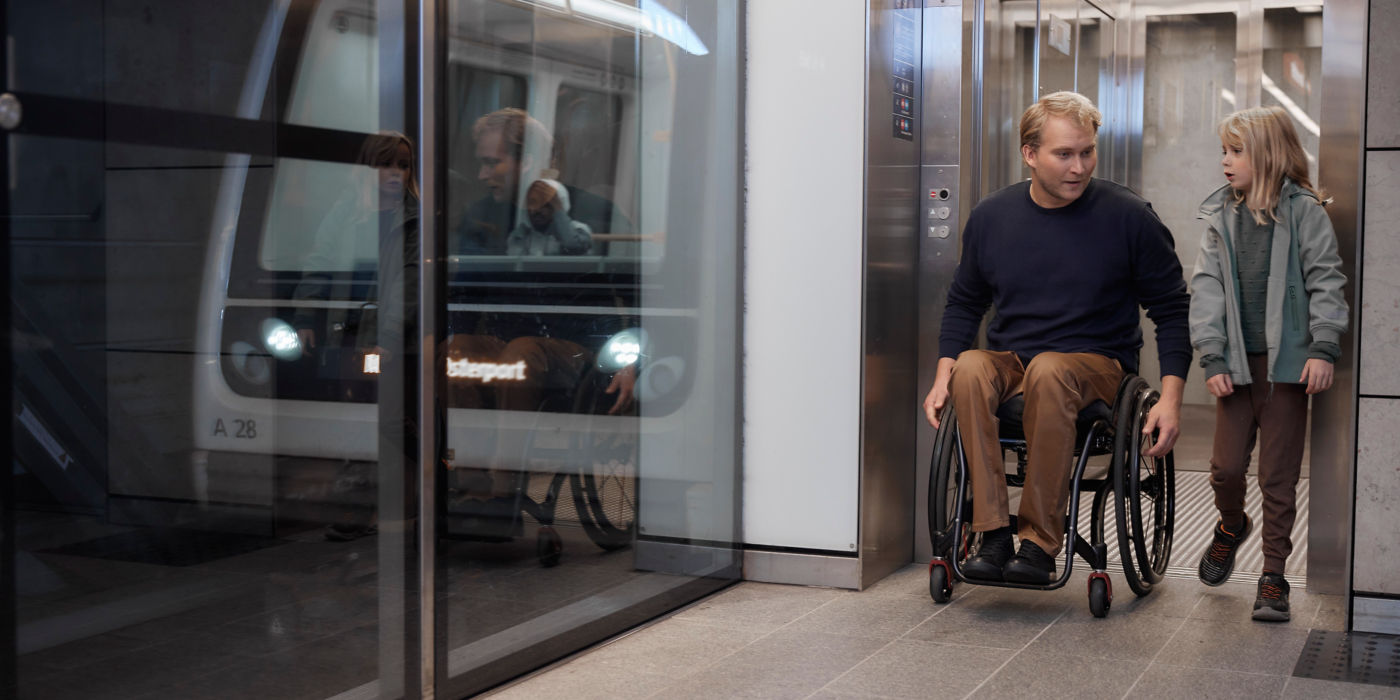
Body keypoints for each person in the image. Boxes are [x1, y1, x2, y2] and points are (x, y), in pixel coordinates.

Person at [922, 91, 1191, 585]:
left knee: (1050, 367)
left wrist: (1171, 401)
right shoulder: (991, 217)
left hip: (1099, 367)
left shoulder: (1129, 216)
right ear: (1029, 154)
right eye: (1063, 154)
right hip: (1015, 363)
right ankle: (993, 530)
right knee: (973, 367)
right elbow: (964, 303)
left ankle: (1041, 541)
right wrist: (943, 376)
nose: (1079, 166)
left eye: (1087, 152)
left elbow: (1172, 310)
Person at [1189, 106, 1348, 621]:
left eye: (1236, 152)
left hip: (1287, 368)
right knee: (1225, 469)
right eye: (1224, 151)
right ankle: (1231, 526)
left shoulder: (1305, 211)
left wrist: (1323, 347)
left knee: (1276, 476)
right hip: (1234, 365)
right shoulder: (1220, 217)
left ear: (1270, 155)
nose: (1225, 162)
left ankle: (1273, 576)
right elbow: (1206, 289)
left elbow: (1327, 279)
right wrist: (1211, 353)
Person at [292, 130, 421, 541]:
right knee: (354, 411)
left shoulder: (414, 217)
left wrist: (389, 337)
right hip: (347, 330)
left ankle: (411, 489)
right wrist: (307, 315)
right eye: (386, 163)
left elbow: (409, 283)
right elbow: (320, 260)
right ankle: (361, 502)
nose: (395, 173)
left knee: (386, 416)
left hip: (389, 336)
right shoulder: (346, 211)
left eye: (403, 165)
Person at [456, 107, 620, 255]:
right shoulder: (480, 216)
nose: (481, 175)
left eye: (492, 163)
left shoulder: (596, 212)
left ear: (526, 162)